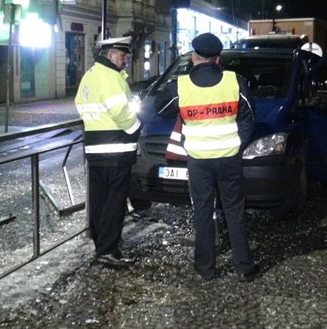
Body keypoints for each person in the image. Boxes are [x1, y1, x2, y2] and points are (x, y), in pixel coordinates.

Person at [154, 32, 260, 282]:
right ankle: (244, 267)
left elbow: (160, 109)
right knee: (235, 210)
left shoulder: (180, 87)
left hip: (199, 160)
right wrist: (237, 143)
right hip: (229, 157)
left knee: (202, 211)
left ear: (194, 57)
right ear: (218, 59)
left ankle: (206, 269)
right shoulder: (235, 82)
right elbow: (249, 119)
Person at [74, 36, 141, 269]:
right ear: (110, 54)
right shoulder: (110, 77)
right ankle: (108, 250)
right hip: (116, 150)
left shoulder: (90, 75)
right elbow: (120, 110)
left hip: (95, 149)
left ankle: (100, 243)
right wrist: (135, 128)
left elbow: (80, 105)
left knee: (99, 201)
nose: (125, 61)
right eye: (123, 56)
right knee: (114, 202)